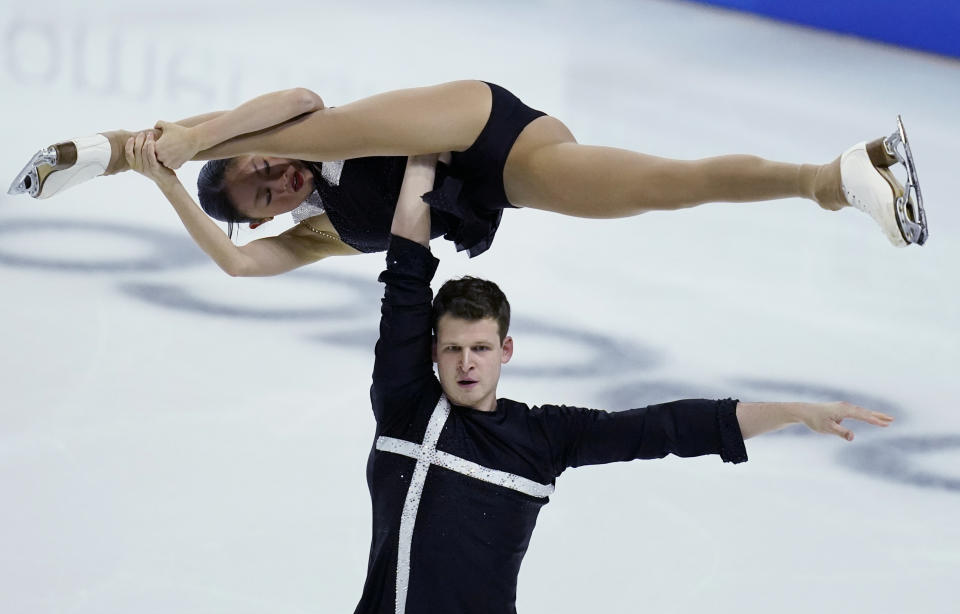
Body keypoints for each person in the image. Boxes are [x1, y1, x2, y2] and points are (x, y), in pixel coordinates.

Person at [347, 151, 893, 614]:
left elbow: (666, 428)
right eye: (454, 349)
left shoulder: (540, 438)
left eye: (482, 349)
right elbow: (406, 275)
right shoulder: (407, 406)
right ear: (433, 352)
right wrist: (420, 151)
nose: (467, 363)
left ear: (506, 349)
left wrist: (797, 411)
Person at [8, 81, 927, 279]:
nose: (273, 177)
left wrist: (177, 148)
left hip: (467, 119)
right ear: (265, 217)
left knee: (317, 126)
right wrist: (169, 185)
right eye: (262, 193)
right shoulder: (316, 233)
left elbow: (296, 96)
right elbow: (238, 271)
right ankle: (839, 178)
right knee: (664, 187)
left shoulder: (290, 133)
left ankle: (99, 150)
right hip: (511, 173)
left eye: (255, 170)